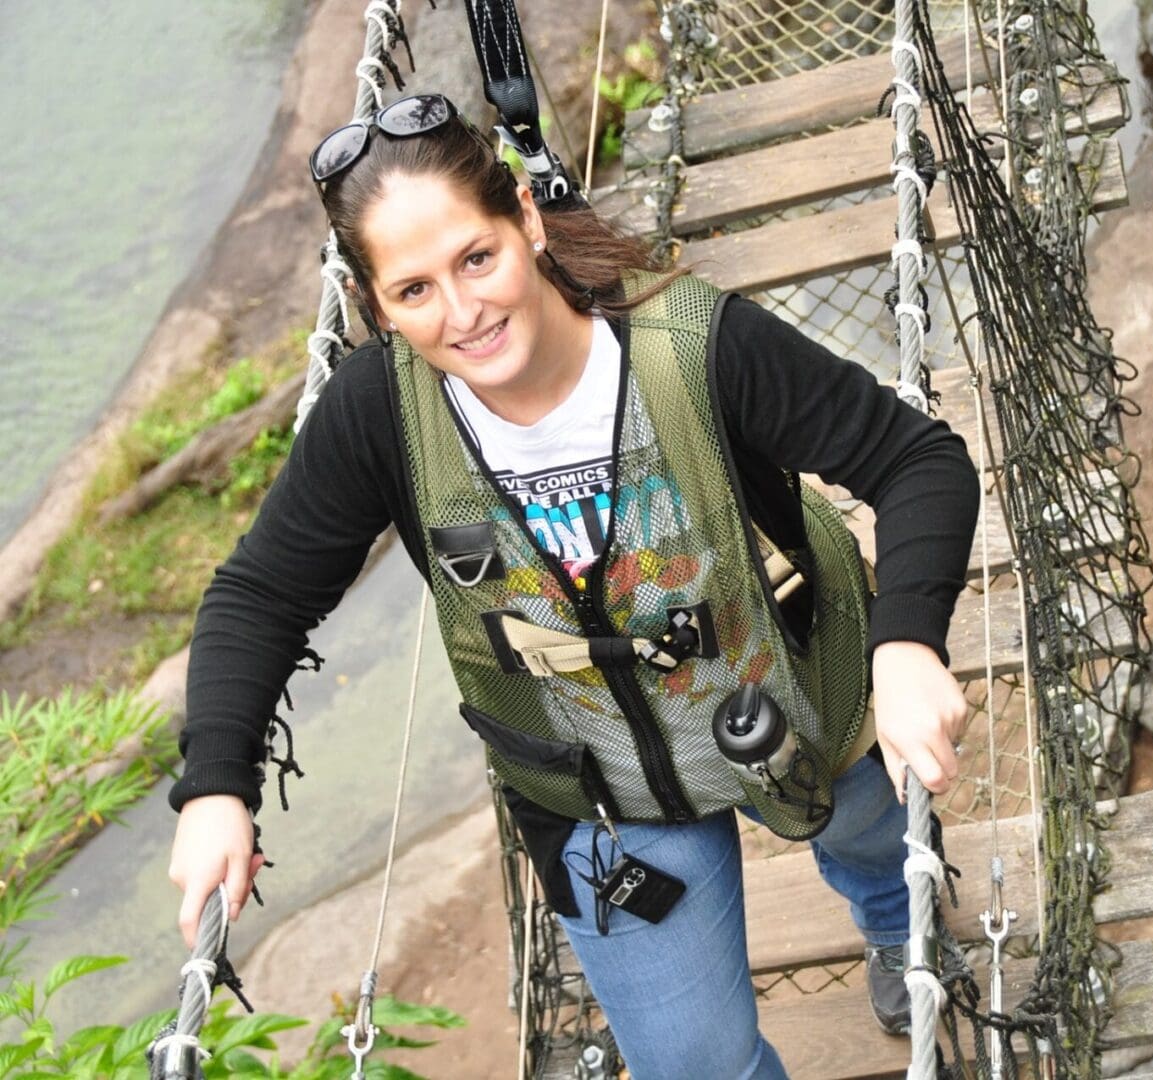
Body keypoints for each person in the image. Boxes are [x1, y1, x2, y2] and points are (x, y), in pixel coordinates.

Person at [166, 92, 978, 1079]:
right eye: (414, 290)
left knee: (864, 831)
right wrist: (216, 787)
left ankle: (897, 926)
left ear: (526, 216)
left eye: (476, 258)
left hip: (805, 686)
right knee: (692, 1066)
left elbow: (918, 460)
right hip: (595, 789)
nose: (463, 314)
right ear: (374, 307)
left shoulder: (693, 345)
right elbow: (259, 594)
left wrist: (907, 646)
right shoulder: (379, 417)